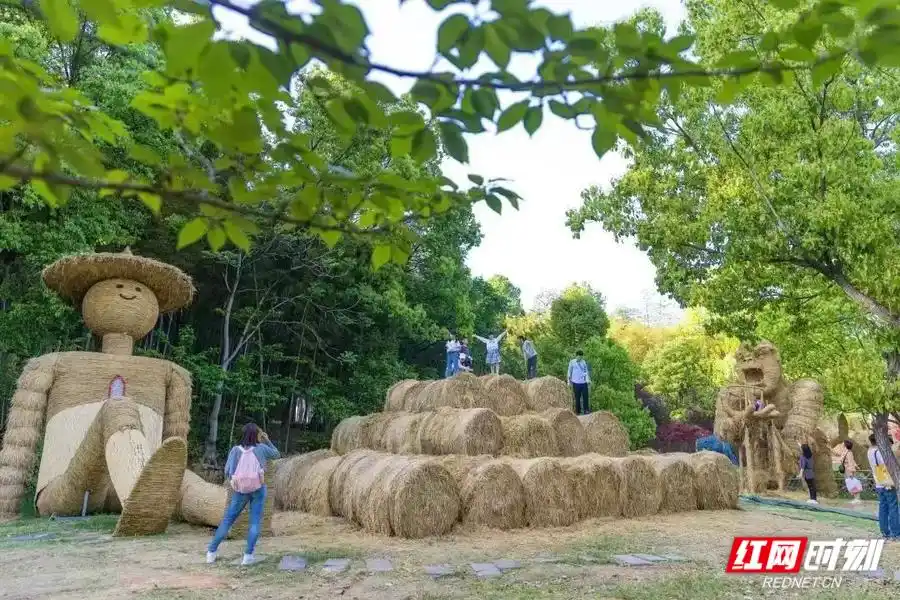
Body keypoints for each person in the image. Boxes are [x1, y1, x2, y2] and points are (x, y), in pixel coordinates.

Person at [207, 423, 281, 565]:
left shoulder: (235, 450)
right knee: (254, 522)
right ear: (257, 435)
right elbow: (277, 454)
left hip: (240, 490)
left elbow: (228, 471)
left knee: (228, 520)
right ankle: (248, 556)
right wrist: (267, 440)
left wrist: (236, 481)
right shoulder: (262, 449)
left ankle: (211, 552)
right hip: (258, 489)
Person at [867, 433, 900, 539]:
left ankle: (885, 532)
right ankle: (895, 533)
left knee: (883, 507)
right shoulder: (880, 452)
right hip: (887, 483)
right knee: (893, 507)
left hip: (879, 483)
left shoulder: (870, 451)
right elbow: (889, 465)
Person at [839, 439, 862, 504]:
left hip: (849, 471)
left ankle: (857, 498)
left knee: (853, 484)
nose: (842, 444)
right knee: (851, 484)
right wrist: (856, 466)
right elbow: (852, 461)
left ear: (845, 445)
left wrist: (851, 472)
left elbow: (851, 462)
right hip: (846, 471)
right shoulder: (845, 452)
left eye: (843, 443)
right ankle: (856, 498)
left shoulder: (849, 453)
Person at [568, 350, 591, 415]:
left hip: (583, 383)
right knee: (577, 398)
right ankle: (578, 411)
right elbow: (569, 371)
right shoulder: (572, 362)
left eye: (581, 357)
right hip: (575, 383)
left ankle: (586, 410)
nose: (580, 358)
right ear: (576, 356)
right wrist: (569, 382)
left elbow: (586, 372)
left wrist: (588, 380)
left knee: (585, 397)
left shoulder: (583, 362)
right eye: (579, 356)